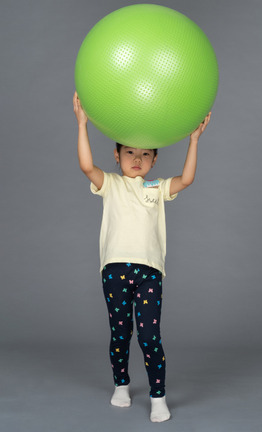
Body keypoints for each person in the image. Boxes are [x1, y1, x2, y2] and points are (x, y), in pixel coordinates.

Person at [73, 91, 211, 422]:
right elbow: (85, 166)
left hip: (149, 272)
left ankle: (158, 396)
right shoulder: (111, 184)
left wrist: (194, 140)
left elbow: (187, 179)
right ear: (117, 155)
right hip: (115, 271)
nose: (137, 158)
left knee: (150, 337)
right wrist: (82, 125)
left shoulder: (156, 188)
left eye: (145, 154)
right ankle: (121, 384)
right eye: (130, 152)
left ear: (154, 161)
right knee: (121, 333)